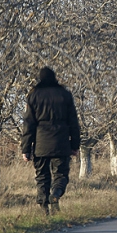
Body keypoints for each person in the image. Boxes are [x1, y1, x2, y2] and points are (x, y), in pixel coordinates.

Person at [21, 67, 80, 215]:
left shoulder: (33, 96)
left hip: (41, 143)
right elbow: (73, 122)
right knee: (60, 174)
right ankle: (56, 193)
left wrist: (26, 149)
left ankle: (44, 208)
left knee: (42, 176)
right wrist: (75, 145)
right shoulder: (65, 95)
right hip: (61, 142)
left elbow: (28, 124)